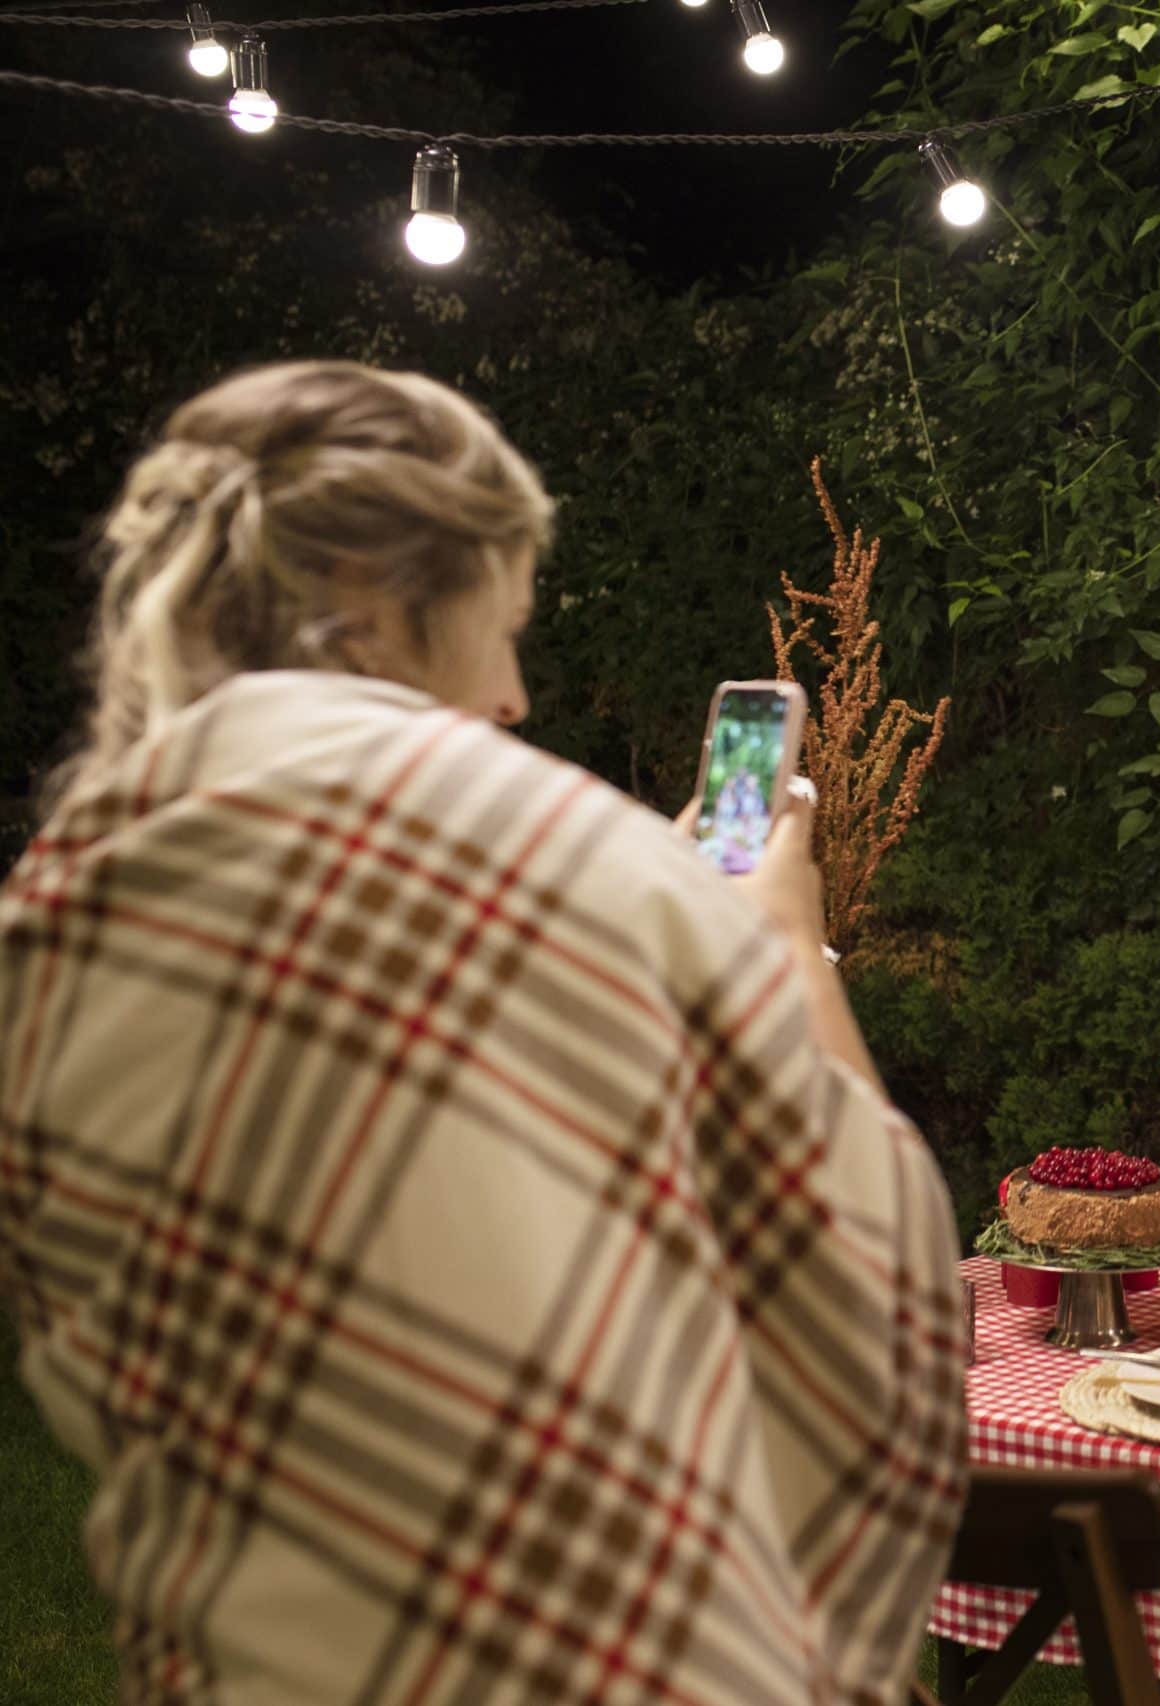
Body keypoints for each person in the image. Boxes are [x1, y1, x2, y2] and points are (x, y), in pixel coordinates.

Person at [0, 362, 967, 1702]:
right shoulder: (578, 863)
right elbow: (869, 1296)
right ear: (382, 604)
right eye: (503, 626)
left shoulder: (62, 896)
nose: (514, 696)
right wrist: (777, 945)